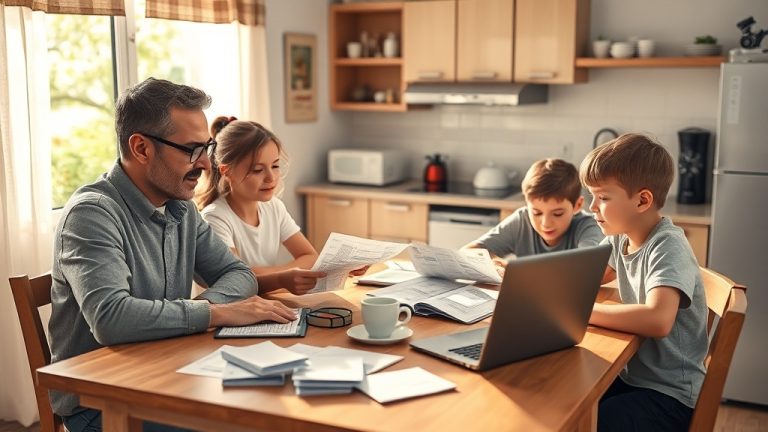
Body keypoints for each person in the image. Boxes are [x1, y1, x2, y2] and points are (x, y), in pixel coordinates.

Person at [49, 78, 298, 432]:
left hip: (168, 371)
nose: (205, 164)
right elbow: (111, 318)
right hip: (100, 401)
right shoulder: (92, 214)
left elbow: (239, 275)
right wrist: (215, 313)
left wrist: (207, 313)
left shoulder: (181, 208)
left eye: (206, 148)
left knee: (277, 405)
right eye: (191, 150)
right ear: (141, 148)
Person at [579, 133, 708, 431]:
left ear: (642, 200)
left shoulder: (667, 246)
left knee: (594, 420)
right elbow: (585, 276)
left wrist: (581, 312)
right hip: (633, 378)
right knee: (569, 401)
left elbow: (658, 320)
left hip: (669, 395)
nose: (592, 207)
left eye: (603, 197)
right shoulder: (620, 236)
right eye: (591, 196)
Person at [196, 117, 361, 294]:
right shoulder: (215, 218)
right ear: (226, 171)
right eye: (257, 170)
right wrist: (282, 277)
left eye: (275, 166)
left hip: (265, 301)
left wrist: (270, 277)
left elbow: (310, 257)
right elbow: (235, 280)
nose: (271, 177)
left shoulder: (273, 207)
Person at [463, 158, 603, 273]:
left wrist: (519, 271)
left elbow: (586, 268)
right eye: (536, 213)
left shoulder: (589, 226)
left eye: (557, 213)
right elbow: (468, 251)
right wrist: (496, 263)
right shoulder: (522, 221)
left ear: (577, 206)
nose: (545, 223)